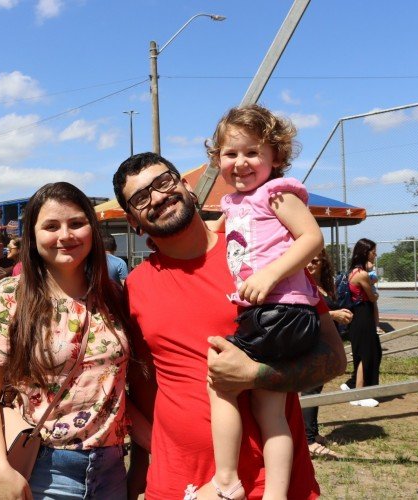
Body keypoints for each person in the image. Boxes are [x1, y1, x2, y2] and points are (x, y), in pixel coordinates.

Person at [111, 152, 346, 499]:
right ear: (133, 221)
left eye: (164, 182)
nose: (158, 197)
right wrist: (152, 463)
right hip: (181, 486)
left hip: (272, 486)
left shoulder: (264, 256)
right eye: (141, 198)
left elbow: (333, 358)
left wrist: (256, 375)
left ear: (188, 188)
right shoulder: (135, 287)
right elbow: (139, 393)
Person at [0, 182, 149, 499]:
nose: (65, 235)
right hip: (43, 470)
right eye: (51, 226)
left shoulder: (114, 296)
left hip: (112, 469)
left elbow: (113, 388)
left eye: (76, 223)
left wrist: (159, 446)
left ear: (92, 230)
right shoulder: (12, 297)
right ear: (33, 236)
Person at [203, 104, 324, 498]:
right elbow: (218, 230)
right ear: (216, 158)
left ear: (276, 158)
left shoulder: (276, 194)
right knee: (270, 412)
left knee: (220, 382)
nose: (241, 162)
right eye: (230, 153)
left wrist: (271, 275)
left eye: (252, 152)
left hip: (282, 310)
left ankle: (225, 478)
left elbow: (311, 238)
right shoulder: (233, 203)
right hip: (272, 313)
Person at [301, 249, 353, 459]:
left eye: (315, 261)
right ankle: (308, 440)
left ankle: (311, 432)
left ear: (323, 263)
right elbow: (302, 312)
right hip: (310, 343)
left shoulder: (324, 284)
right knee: (310, 391)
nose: (310, 265)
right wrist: (334, 314)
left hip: (324, 344)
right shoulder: (301, 282)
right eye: (307, 260)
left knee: (316, 389)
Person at [341, 238, 382, 407]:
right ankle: (359, 393)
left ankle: (353, 386)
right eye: (373, 251)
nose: (375, 254)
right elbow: (372, 297)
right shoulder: (362, 274)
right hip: (362, 315)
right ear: (365, 253)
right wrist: (375, 291)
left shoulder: (353, 272)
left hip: (358, 315)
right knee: (367, 354)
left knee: (367, 352)